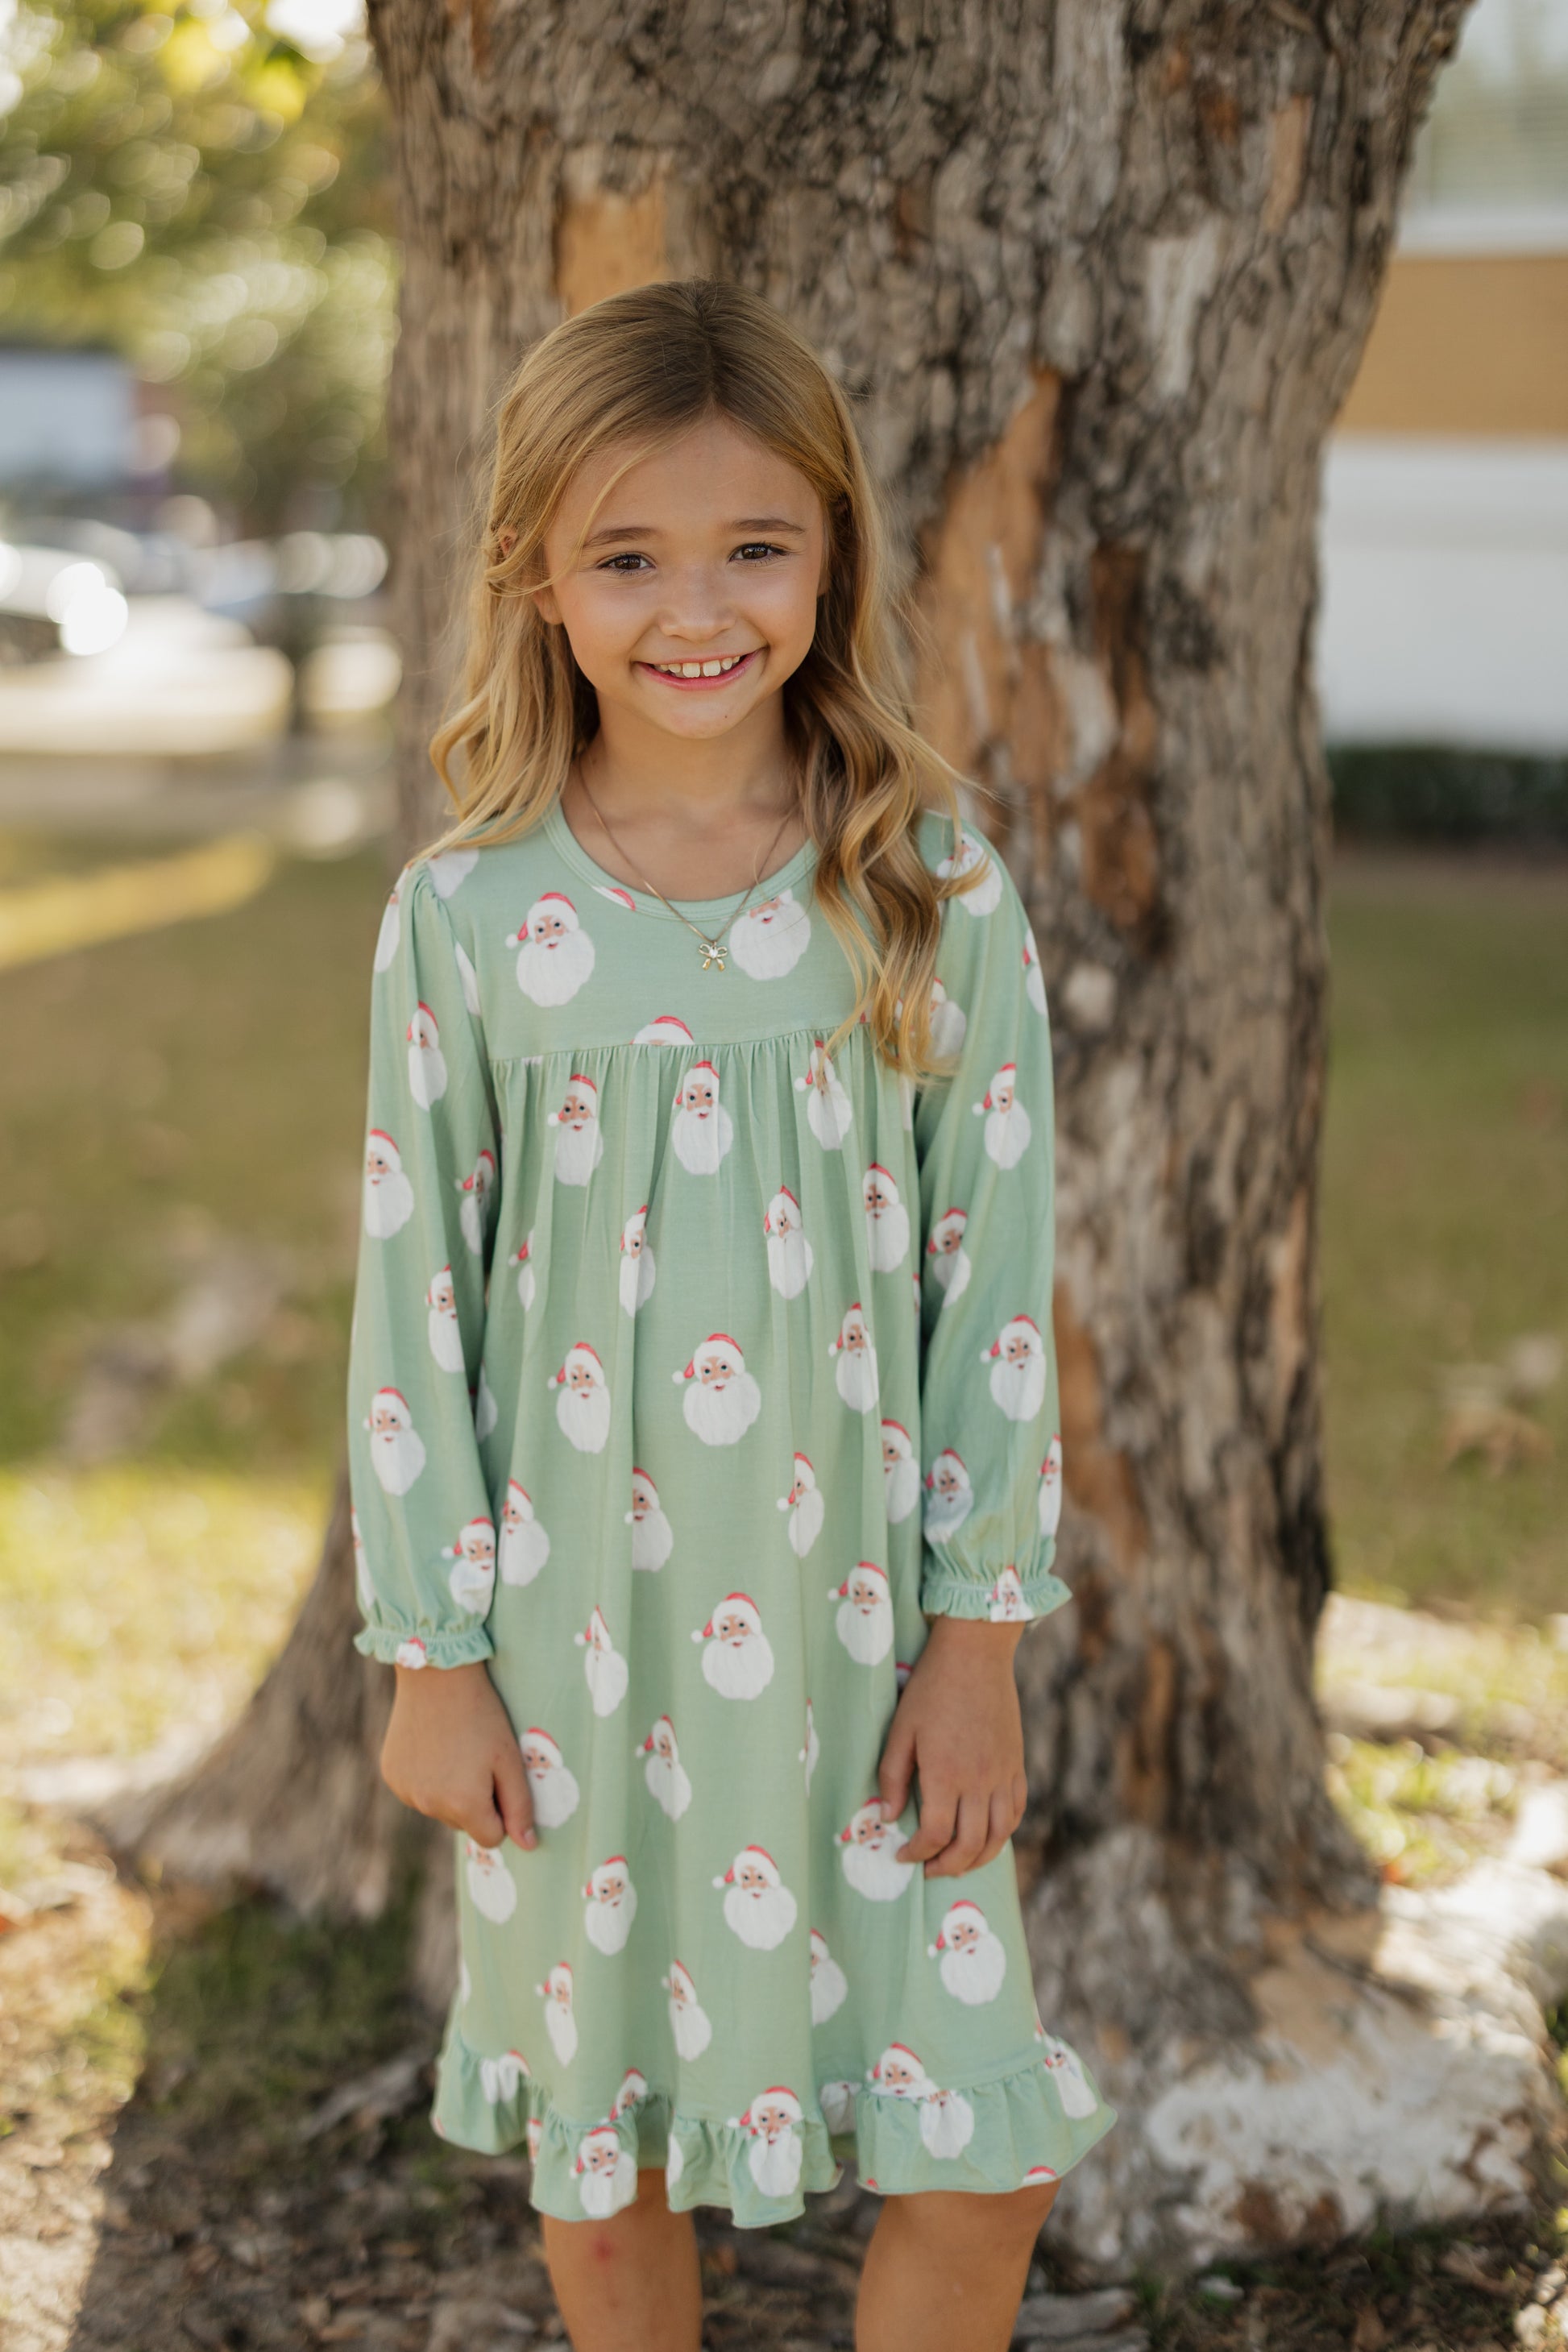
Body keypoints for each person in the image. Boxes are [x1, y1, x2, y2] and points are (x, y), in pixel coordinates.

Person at [345, 276, 1114, 2352]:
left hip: (871, 1660)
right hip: (573, 1658)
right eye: (630, 555)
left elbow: (997, 1298)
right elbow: (411, 1310)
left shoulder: (923, 887)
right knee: (612, 2175)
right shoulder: (475, 915)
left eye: (754, 545)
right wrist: (431, 1660)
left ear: (832, 555)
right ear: (538, 575)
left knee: (983, 2154)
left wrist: (977, 1650)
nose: (701, 605)